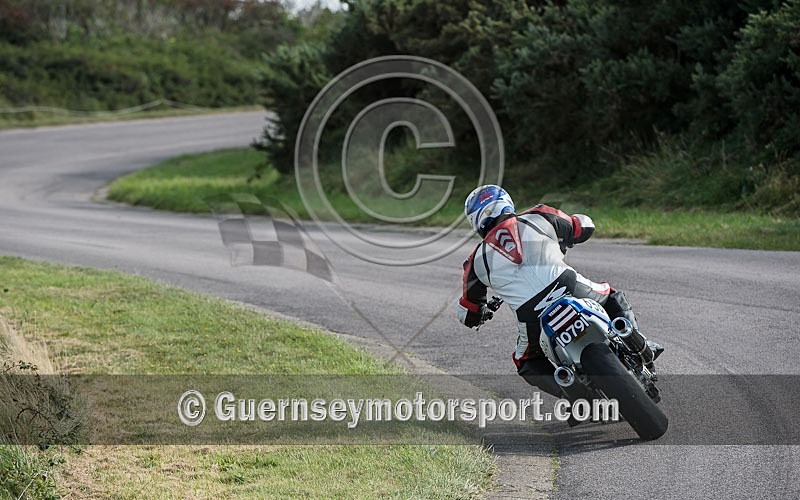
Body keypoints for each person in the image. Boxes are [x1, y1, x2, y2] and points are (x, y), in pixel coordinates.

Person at [456, 185, 662, 400]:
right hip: (569, 286)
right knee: (610, 295)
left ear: (475, 220)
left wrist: (480, 314)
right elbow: (581, 226)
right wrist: (568, 237)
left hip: (531, 314)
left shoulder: (473, 263)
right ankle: (640, 344)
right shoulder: (538, 215)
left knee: (526, 362)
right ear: (506, 203)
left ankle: (574, 395)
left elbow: (468, 312)